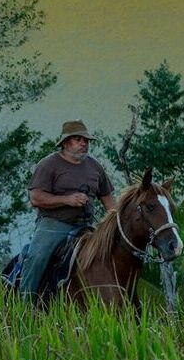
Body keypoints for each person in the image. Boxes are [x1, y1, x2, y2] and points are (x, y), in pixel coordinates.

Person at [20, 119, 118, 298]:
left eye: (86, 140)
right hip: (54, 225)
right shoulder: (49, 164)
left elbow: (109, 201)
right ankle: (22, 303)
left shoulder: (95, 166)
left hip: (86, 226)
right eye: (78, 139)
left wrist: (117, 222)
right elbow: (35, 198)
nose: (84, 143)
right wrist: (67, 200)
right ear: (65, 143)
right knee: (37, 257)